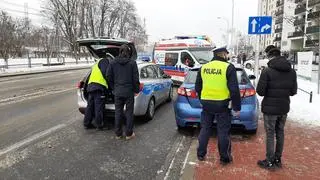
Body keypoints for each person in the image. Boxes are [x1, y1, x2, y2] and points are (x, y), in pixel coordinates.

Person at [195, 47, 241, 165]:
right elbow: (234, 89)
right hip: (222, 105)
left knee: (205, 129)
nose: (227, 56)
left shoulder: (203, 67)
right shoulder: (228, 67)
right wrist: (236, 107)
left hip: (206, 104)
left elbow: (197, 87)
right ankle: (225, 157)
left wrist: (202, 99)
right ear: (223, 54)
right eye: (226, 54)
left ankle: (200, 154)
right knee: (223, 131)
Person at [257, 45, 297, 169]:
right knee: (280, 132)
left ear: (270, 56)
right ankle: (278, 159)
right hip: (284, 107)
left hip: (270, 109)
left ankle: (269, 161)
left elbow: (260, 91)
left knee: (270, 134)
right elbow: (293, 91)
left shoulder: (267, 71)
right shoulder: (291, 71)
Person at [107, 44, 140, 140]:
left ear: (119, 52)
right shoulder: (132, 63)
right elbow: (135, 78)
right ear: (128, 52)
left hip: (117, 91)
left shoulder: (113, 63)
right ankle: (129, 134)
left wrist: (113, 88)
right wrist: (136, 90)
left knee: (118, 112)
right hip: (129, 92)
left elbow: (108, 76)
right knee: (129, 113)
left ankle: (118, 134)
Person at [83, 55, 110, 130]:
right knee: (99, 107)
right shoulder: (105, 61)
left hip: (91, 86)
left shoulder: (96, 63)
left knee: (90, 106)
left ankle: (86, 123)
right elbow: (106, 74)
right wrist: (110, 83)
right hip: (99, 87)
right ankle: (100, 125)